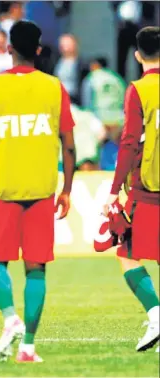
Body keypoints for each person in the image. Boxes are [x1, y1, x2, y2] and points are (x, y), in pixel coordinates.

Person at [0, 20, 76, 363]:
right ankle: (29, 347)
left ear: (9, 49)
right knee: (36, 268)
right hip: (41, 189)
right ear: (38, 50)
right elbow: (68, 145)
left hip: (4, 189)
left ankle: (10, 318)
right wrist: (66, 189)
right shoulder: (55, 88)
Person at [103, 26, 159, 353]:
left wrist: (114, 190)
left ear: (137, 55)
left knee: (126, 252)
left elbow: (129, 143)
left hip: (149, 186)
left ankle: (155, 313)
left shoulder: (138, 89)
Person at [81, 57, 127, 142]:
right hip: (119, 120)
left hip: (98, 119)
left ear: (95, 65)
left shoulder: (91, 78)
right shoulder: (118, 78)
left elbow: (86, 104)